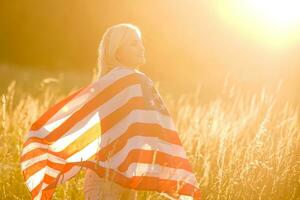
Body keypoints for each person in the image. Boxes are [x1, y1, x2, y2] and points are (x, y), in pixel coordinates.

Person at [83, 23, 146, 200]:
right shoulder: (133, 80)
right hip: (108, 180)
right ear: (117, 52)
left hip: (117, 176)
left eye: (140, 42)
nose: (141, 48)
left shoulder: (106, 83)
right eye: (134, 43)